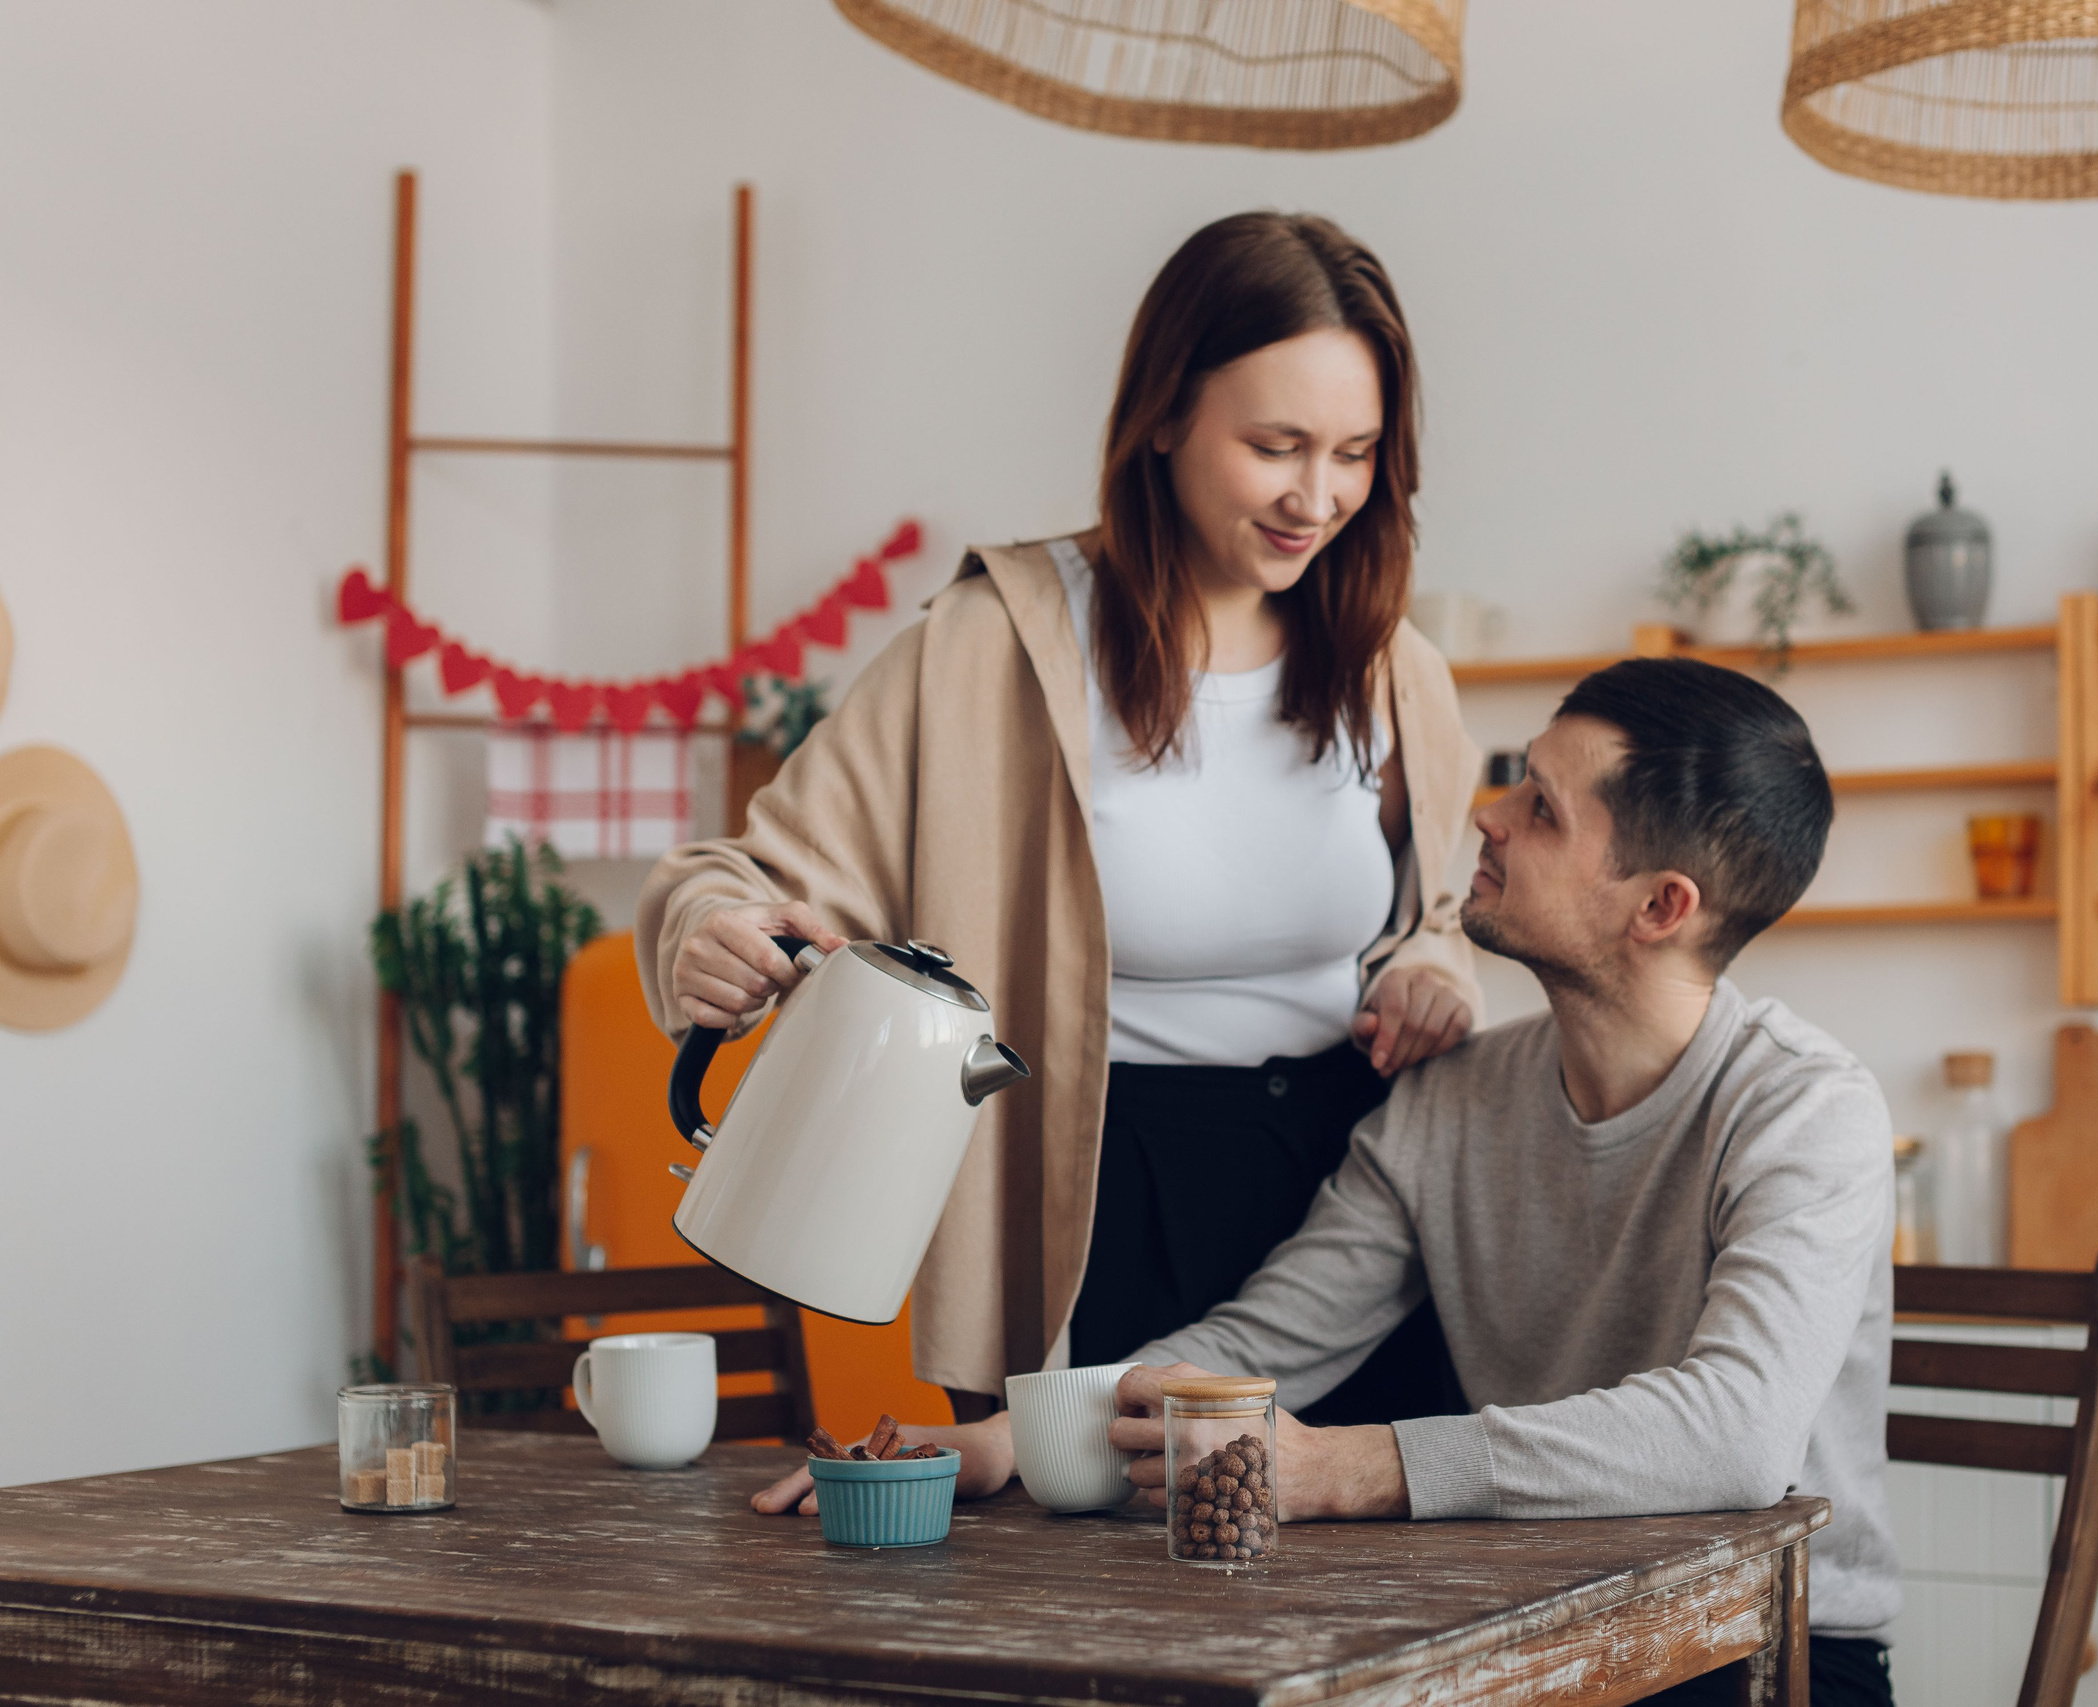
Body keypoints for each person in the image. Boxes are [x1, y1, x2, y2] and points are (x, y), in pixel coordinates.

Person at [813, 657, 1900, 1704]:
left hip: (1769, 1642)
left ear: (1660, 908)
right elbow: (1268, 1339)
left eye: (1542, 811)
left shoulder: (1808, 1113)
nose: (1486, 816)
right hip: (1536, 1627)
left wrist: (1342, 1470)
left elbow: (1737, 1435)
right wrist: (1016, 1441)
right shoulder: (1452, 1100)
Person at [640, 211, 1480, 1436]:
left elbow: (1434, 917)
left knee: (1373, 1594)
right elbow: (746, 871)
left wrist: (1430, 971)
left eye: (1355, 453)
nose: (1320, 496)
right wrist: (711, 927)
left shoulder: (1391, 669)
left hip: (1356, 1201)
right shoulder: (993, 649)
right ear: (1161, 416)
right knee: (1102, 1590)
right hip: (1095, 1192)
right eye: (1275, 444)